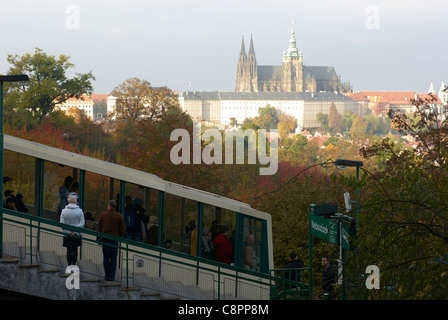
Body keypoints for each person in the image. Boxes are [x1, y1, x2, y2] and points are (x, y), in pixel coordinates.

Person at [97, 199, 126, 281]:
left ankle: (106, 275)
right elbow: (123, 229)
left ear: (109, 206)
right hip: (114, 240)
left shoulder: (103, 215)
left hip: (105, 239)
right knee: (113, 259)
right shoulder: (120, 216)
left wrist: (98, 238)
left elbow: (99, 227)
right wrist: (118, 235)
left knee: (106, 258)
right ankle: (111, 276)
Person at [60, 194, 85, 266]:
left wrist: (69, 232)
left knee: (69, 250)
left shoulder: (64, 211)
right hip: (77, 234)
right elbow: (82, 224)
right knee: (75, 250)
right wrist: (75, 232)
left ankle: (69, 265)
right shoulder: (80, 211)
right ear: (75, 201)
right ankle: (73, 265)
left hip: (67, 235)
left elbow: (62, 224)